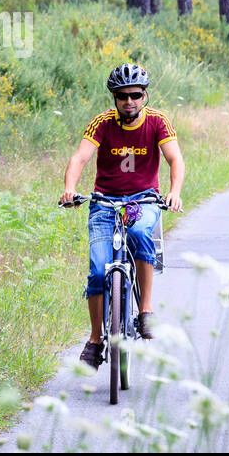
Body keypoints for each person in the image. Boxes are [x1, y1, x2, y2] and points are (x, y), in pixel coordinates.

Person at [60, 63, 185, 371]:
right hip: (104, 202)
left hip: (143, 200)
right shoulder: (102, 123)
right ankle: (95, 341)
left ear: (144, 96)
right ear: (114, 98)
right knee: (98, 272)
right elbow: (80, 157)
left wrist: (174, 191)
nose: (129, 101)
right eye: (122, 96)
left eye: (135, 95)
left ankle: (145, 311)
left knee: (142, 235)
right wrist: (69, 189)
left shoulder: (157, 122)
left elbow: (174, 158)